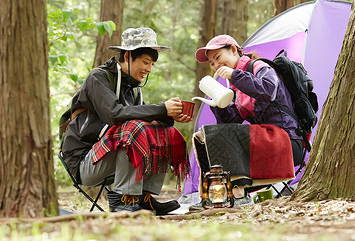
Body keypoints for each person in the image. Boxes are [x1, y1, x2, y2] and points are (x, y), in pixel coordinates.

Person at [62, 27, 191, 214]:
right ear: (129, 56)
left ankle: (145, 197)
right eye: (146, 62)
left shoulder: (133, 88)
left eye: (152, 64)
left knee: (162, 131)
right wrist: (162, 108)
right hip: (85, 161)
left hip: (111, 156)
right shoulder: (98, 77)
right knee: (132, 130)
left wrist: (169, 116)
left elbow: (148, 122)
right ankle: (124, 200)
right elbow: (115, 115)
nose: (149, 69)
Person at [194, 34, 305, 204]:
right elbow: (231, 123)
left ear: (233, 50)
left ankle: (237, 195)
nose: (216, 66)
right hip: (267, 140)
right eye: (212, 63)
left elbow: (268, 91)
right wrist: (217, 103)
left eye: (218, 58)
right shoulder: (235, 87)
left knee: (220, 134)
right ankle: (216, 194)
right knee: (211, 134)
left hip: (288, 140)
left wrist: (235, 75)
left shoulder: (259, 67)